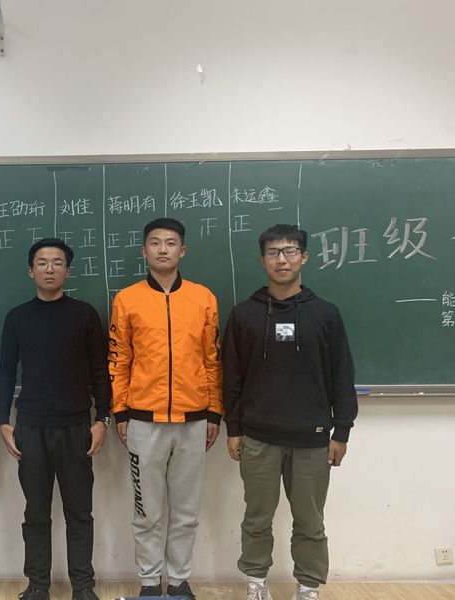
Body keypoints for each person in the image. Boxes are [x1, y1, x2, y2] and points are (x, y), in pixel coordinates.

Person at [221, 224, 358, 600]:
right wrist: (234, 428)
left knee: (310, 521)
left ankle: (308, 586)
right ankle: (255, 583)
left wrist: (342, 431)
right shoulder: (244, 315)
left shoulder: (326, 314)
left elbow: (342, 375)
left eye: (290, 251)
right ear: (262, 259)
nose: (281, 259)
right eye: (273, 252)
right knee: (257, 517)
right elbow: (231, 376)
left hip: (312, 437)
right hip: (258, 436)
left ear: (304, 257)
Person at [108, 217, 223, 599]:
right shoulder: (127, 299)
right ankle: (148, 582)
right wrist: (121, 412)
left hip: (193, 421)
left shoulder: (203, 298)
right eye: (155, 243)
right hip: (144, 421)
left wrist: (214, 412)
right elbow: (119, 360)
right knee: (147, 513)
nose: (162, 249)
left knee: (186, 513)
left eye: (170, 243)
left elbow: (212, 360)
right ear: (144, 251)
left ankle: (178, 582)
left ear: (182, 250)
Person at [0, 239, 112, 600]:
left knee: (80, 512)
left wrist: (102, 418)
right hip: (30, 426)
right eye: (42, 263)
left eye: (57, 262)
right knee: (36, 513)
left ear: (67, 270)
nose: (50, 268)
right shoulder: (17, 317)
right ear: (31, 271)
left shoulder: (84, 314)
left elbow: (100, 370)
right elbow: (5, 372)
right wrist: (2, 420)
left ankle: (83, 586)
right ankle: (37, 585)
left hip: (76, 426)